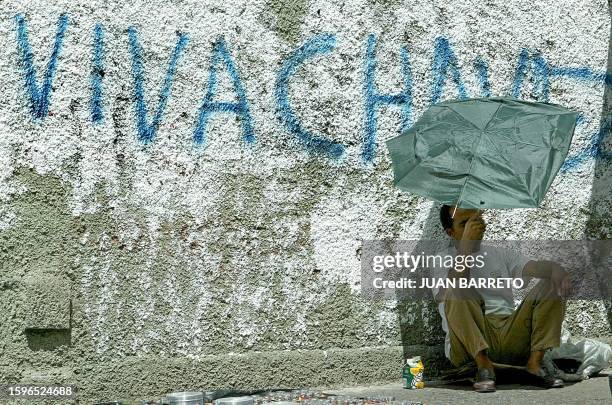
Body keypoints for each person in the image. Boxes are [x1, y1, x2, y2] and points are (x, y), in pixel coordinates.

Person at [431, 205, 572, 393]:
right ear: (450, 232)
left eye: (475, 220)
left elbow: (534, 268)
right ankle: (484, 366)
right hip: (468, 345)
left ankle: (534, 364)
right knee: (455, 288)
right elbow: (445, 294)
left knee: (551, 284)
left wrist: (556, 269)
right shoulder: (441, 259)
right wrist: (465, 249)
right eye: (464, 223)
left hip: (509, 334)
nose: (473, 227)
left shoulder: (500, 254)